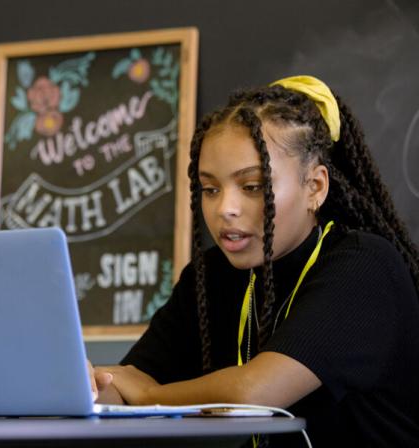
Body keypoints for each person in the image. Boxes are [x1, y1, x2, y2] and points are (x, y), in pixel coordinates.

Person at [89, 75, 419, 446]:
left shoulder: (363, 267)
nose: (225, 209)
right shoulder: (209, 277)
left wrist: (148, 397)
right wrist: (92, 387)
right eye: (210, 189)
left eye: (252, 187)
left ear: (315, 187)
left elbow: (254, 392)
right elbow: (128, 382)